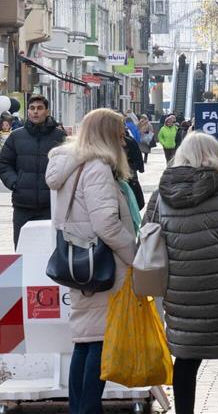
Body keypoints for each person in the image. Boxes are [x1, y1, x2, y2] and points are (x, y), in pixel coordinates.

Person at [143, 133, 218, 414]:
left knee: (186, 359)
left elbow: (148, 239)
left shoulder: (161, 197)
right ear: (213, 157)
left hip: (181, 295)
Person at [45, 109, 136, 414]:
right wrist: (134, 256)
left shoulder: (69, 166)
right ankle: (87, 409)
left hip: (79, 264)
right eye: (120, 132)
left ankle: (80, 408)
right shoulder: (96, 168)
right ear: (107, 134)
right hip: (102, 267)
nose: (124, 138)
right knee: (97, 342)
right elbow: (106, 223)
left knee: (85, 342)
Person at [0, 94, 68, 247]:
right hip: (23, 205)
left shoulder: (60, 136)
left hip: (51, 205)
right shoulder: (16, 136)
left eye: (40, 108)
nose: (35, 112)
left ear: (47, 111)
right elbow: (4, 163)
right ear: (28, 111)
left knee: (50, 250)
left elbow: (68, 165)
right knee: (23, 249)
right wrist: (16, 183)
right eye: (32, 108)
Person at [124, 128, 146, 209]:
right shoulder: (129, 140)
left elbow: (137, 155)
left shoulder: (129, 141)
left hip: (129, 170)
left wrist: (139, 167)